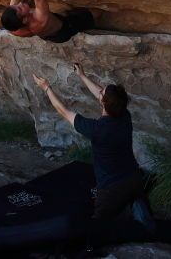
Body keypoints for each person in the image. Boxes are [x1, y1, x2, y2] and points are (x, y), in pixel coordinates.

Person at [32, 63, 144, 226]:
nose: (100, 91)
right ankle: (135, 205)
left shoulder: (97, 129)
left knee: (97, 226)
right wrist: (82, 76)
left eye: (102, 93)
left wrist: (46, 88)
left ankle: (132, 217)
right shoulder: (124, 115)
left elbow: (62, 111)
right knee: (127, 200)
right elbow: (102, 94)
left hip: (112, 189)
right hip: (134, 178)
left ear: (103, 102)